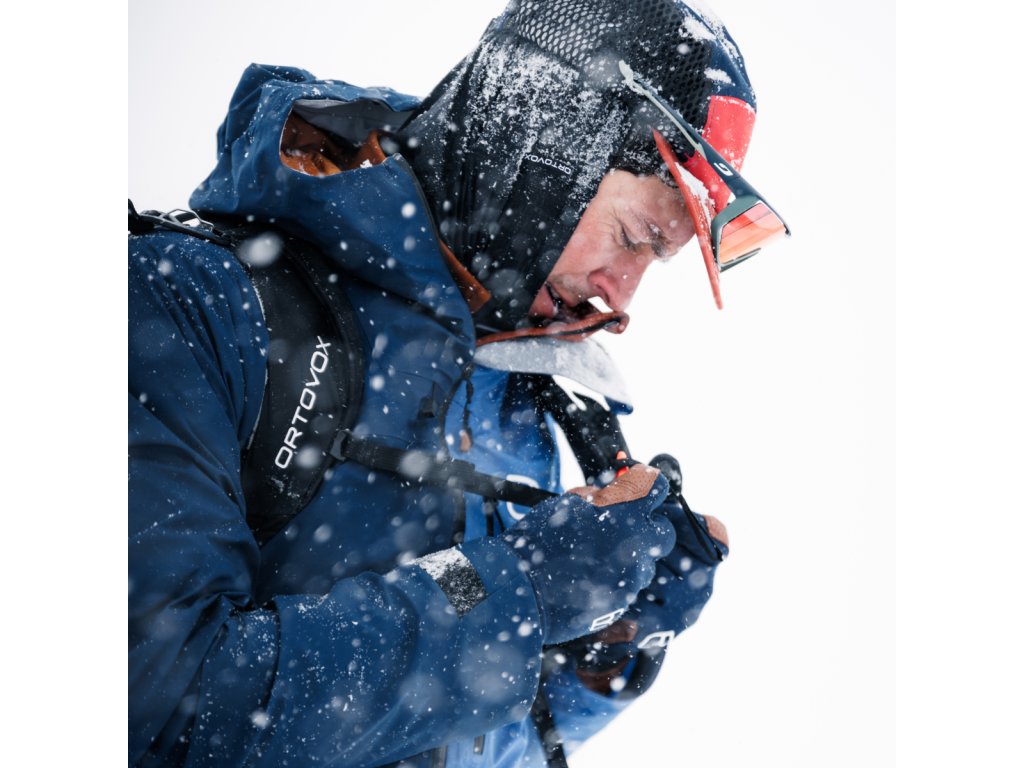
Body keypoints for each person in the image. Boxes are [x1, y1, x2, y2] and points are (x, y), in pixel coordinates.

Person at [128, 1, 787, 766]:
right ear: (545, 144)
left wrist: (604, 648)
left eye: (655, 261)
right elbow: (162, 713)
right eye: (633, 237)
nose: (623, 295)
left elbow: (460, 731)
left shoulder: (523, 395)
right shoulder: (187, 308)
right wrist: (518, 589)